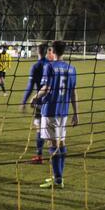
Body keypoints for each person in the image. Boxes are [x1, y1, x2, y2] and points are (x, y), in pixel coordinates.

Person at [30, 41, 78, 189]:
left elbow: (46, 87)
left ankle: (57, 179)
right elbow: (73, 92)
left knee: (52, 144)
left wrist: (35, 97)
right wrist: (76, 113)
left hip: (50, 110)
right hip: (64, 111)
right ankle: (59, 177)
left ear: (52, 51)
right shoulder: (71, 68)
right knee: (61, 143)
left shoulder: (49, 66)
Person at [20, 43, 49, 164]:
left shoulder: (36, 66)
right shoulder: (51, 64)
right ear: (47, 52)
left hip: (40, 102)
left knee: (40, 128)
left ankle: (39, 156)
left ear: (38, 51)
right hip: (52, 102)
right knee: (52, 129)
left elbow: (30, 86)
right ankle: (57, 154)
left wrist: (24, 101)